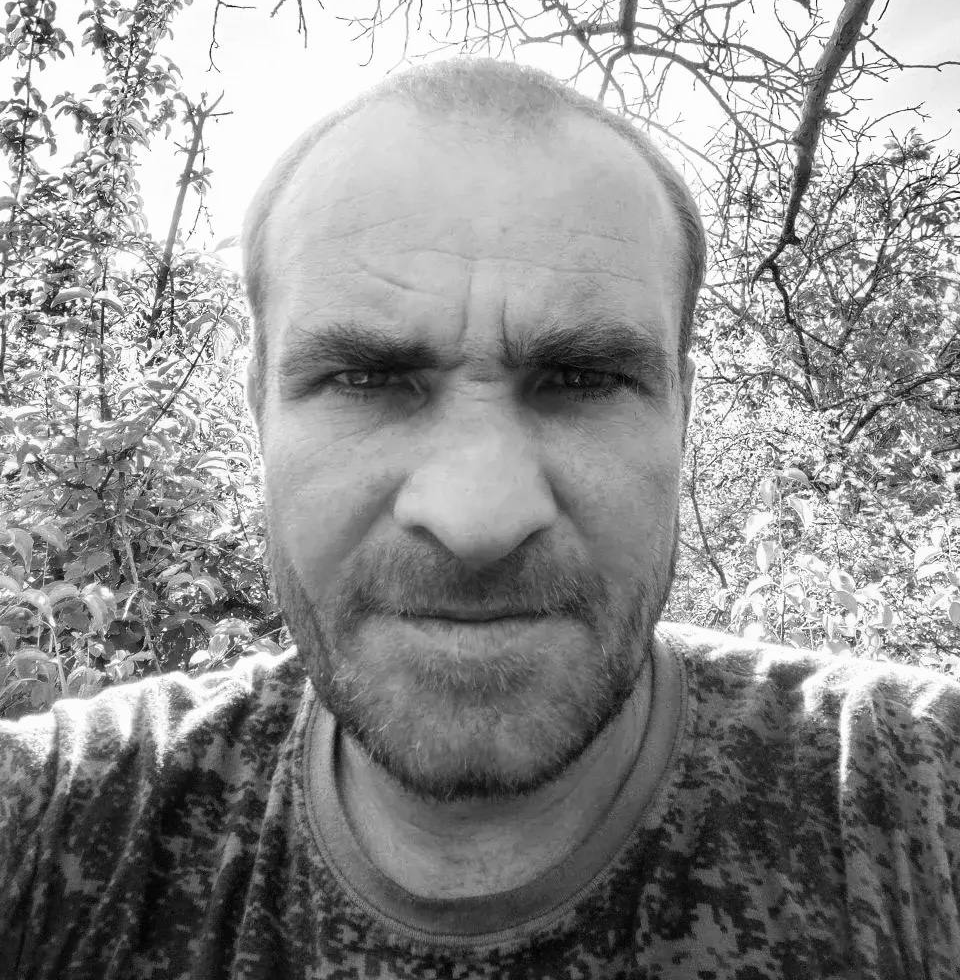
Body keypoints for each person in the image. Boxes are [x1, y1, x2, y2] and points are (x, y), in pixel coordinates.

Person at [1, 58, 958, 980]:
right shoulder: (58, 823)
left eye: (582, 379)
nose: (476, 521)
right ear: (259, 410)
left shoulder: (917, 800)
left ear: (682, 413)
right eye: (366, 378)